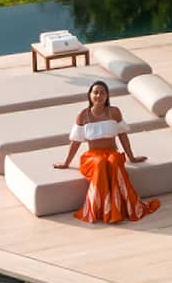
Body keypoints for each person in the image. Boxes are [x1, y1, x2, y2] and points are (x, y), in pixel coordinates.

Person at [55, 79, 160, 224]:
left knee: (114, 161)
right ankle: (101, 210)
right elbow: (75, 142)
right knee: (100, 163)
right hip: (92, 157)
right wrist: (66, 163)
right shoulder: (83, 115)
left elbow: (123, 136)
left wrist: (132, 157)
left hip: (112, 152)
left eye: (102, 93)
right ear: (90, 95)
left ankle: (119, 209)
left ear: (107, 96)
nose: (99, 95)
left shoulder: (114, 112)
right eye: (95, 92)